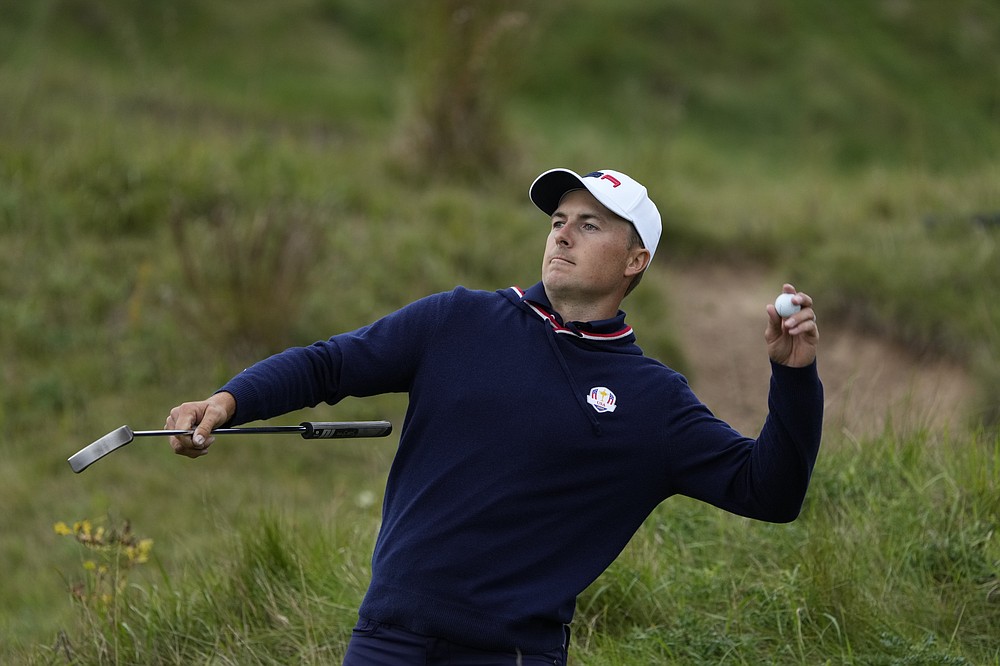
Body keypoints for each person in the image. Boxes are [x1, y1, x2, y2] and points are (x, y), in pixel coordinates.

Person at [166, 168, 823, 665]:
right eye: (559, 219)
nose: (563, 231)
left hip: (510, 655)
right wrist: (228, 401)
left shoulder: (653, 400)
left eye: (590, 224)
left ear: (635, 261)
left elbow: (771, 491)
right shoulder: (457, 320)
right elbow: (327, 366)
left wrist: (794, 378)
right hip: (387, 640)